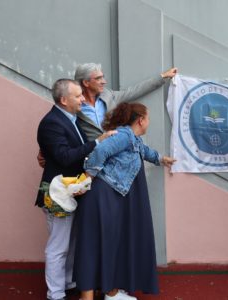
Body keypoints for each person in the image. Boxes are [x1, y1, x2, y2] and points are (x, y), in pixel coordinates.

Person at [74, 102, 175, 300]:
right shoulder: (123, 136)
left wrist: (161, 159)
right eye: (148, 118)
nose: (149, 122)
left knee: (110, 242)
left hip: (111, 196)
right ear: (140, 120)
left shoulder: (133, 139)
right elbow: (100, 152)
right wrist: (87, 177)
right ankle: (93, 295)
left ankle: (109, 292)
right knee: (97, 242)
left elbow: (144, 151)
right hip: (103, 195)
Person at [36, 79, 115, 300]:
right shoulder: (52, 122)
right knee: (58, 246)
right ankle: (56, 294)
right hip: (56, 194)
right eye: (78, 96)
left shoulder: (70, 119)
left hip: (71, 191)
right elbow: (64, 156)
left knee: (70, 244)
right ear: (64, 100)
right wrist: (97, 142)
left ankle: (68, 283)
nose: (83, 99)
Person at [74, 63, 177, 141]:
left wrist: (163, 77)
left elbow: (133, 92)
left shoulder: (108, 95)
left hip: (117, 156)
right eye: (98, 78)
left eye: (103, 77)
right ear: (86, 83)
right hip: (91, 161)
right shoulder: (72, 106)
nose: (104, 81)